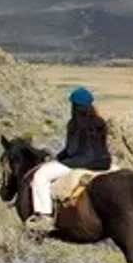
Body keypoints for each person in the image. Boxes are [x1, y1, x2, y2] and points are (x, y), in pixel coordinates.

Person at [27, 87, 112, 231]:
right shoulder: (100, 122)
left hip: (81, 162)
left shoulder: (74, 123)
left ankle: (45, 215)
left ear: (74, 106)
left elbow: (71, 151)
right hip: (103, 163)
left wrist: (57, 158)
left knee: (40, 176)